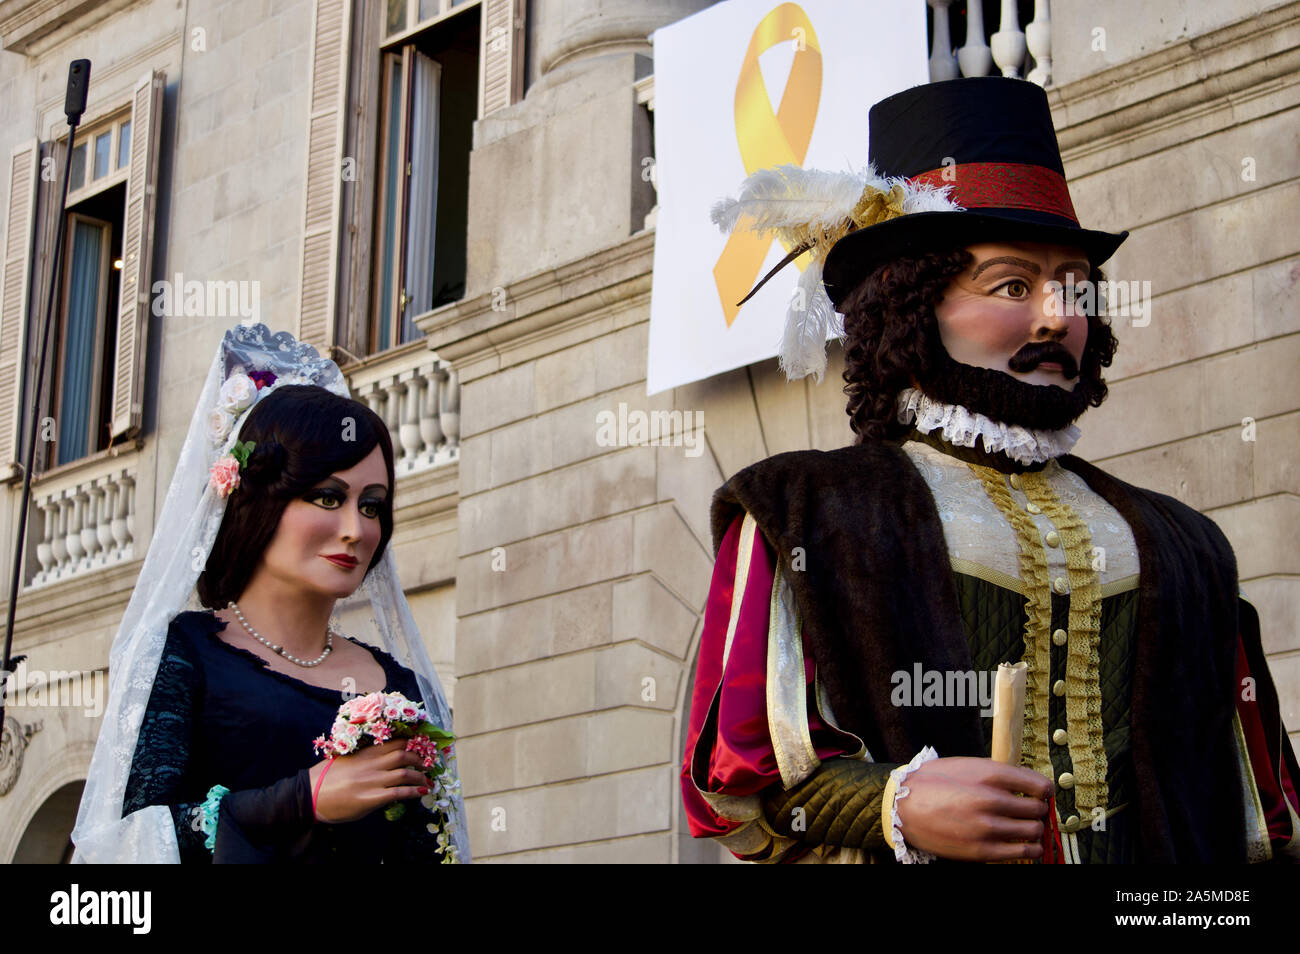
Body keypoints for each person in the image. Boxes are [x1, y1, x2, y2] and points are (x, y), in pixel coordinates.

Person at [682, 76, 1299, 864]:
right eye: (1012, 284)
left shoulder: (1188, 546)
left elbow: (1261, 817)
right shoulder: (804, 510)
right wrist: (892, 803)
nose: (1056, 318)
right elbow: (737, 783)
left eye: (1074, 289)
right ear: (913, 303)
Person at [70, 322, 469, 863]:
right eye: (328, 498)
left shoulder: (403, 688)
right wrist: (300, 800)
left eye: (372, 505)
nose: (356, 528)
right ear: (257, 500)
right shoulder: (183, 655)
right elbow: (133, 843)